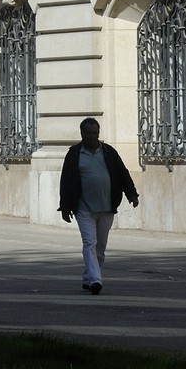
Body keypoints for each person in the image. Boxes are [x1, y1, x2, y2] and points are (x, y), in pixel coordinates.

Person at [58, 117, 139, 294]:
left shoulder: (109, 152)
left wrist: (132, 194)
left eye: (94, 133)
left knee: (100, 247)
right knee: (90, 243)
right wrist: (64, 206)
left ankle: (89, 277)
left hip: (107, 207)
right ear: (82, 134)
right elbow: (66, 181)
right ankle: (96, 280)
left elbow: (123, 173)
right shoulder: (74, 154)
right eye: (88, 133)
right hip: (83, 208)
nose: (91, 136)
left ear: (98, 133)